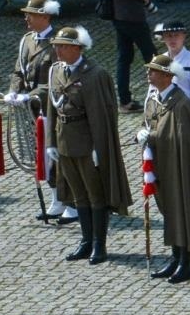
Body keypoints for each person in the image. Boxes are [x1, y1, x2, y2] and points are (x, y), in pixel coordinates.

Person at [46, 25, 130, 263]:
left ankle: (99, 244)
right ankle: (85, 241)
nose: (58, 51)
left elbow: (103, 114)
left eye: (63, 47)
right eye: (56, 46)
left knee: (95, 195)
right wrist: (51, 141)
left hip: (86, 143)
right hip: (65, 141)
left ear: (77, 48)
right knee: (78, 195)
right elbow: (52, 109)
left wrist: (97, 147)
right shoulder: (56, 71)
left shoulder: (95, 74)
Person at [138, 56, 190, 284]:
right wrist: (142, 133)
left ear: (167, 76)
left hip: (179, 168)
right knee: (168, 212)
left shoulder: (182, 104)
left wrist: (152, 136)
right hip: (160, 166)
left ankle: (185, 261)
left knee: (182, 212)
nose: (149, 74)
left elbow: (183, 139)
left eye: (153, 71)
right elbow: (149, 123)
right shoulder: (154, 99)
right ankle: (175, 258)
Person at [5, 0, 70, 221]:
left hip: (52, 109)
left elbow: (56, 81)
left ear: (45, 17)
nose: (27, 19)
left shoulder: (57, 43)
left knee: (58, 154)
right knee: (42, 156)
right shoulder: (27, 40)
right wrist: (14, 91)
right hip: (32, 111)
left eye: (31, 15)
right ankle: (57, 199)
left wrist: (30, 95)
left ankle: (71, 201)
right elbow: (18, 71)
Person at [153, 20, 190, 132]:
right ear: (163, 38)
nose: (173, 39)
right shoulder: (158, 62)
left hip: (186, 120)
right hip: (162, 121)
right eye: (169, 36)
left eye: (176, 35)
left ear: (183, 36)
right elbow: (152, 93)